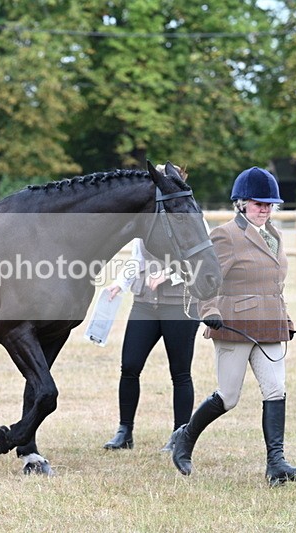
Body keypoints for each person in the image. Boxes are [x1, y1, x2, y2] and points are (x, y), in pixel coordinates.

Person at [170, 166, 296, 487]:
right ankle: (186, 437)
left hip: (270, 325)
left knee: (276, 389)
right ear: (241, 204)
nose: (264, 209)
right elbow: (206, 278)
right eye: (258, 203)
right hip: (234, 324)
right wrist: (209, 310)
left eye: (269, 204)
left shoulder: (274, 235)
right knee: (229, 396)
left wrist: (285, 318)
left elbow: (275, 284)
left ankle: (276, 464)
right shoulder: (226, 235)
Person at [104, 165, 200, 452]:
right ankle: (125, 431)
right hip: (144, 303)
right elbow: (137, 258)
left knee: (180, 373)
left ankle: (179, 435)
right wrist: (120, 283)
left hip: (178, 305)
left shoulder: (192, 216)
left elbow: (202, 261)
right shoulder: (150, 217)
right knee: (130, 366)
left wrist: (170, 275)